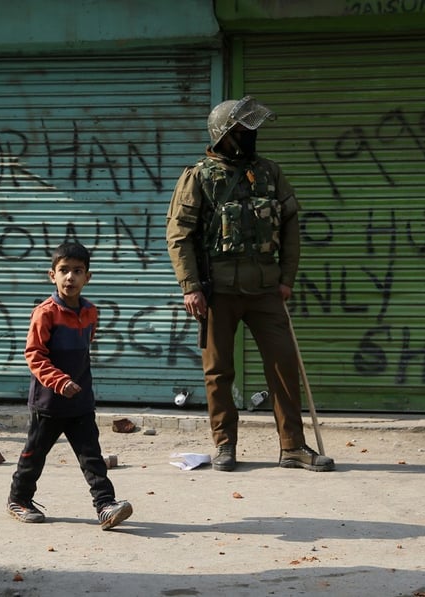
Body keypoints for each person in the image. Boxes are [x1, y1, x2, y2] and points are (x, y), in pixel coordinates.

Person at [165, 96, 334, 473]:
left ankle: (293, 447)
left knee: (284, 366)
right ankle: (225, 446)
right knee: (218, 372)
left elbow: (290, 228)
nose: (249, 136)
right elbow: (179, 235)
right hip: (217, 292)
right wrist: (190, 286)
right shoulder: (199, 177)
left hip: (265, 291)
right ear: (222, 134)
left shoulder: (271, 173)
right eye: (241, 130)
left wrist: (286, 279)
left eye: (251, 129)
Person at [6, 241, 133, 531]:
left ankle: (105, 506)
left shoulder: (90, 312)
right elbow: (34, 355)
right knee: (34, 455)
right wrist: (60, 382)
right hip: (48, 403)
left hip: (80, 402)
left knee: (92, 457)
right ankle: (19, 500)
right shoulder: (46, 312)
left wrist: (77, 387)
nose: (70, 278)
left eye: (77, 271)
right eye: (63, 270)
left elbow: (84, 350)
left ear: (88, 277)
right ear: (52, 275)